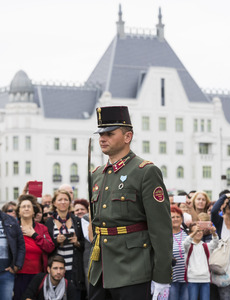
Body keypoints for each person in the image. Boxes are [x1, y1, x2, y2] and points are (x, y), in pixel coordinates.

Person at [89, 106, 172, 300]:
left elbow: (160, 229)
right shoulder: (97, 175)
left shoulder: (145, 172)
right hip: (100, 270)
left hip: (132, 269)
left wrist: (161, 276)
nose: (102, 138)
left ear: (128, 137)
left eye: (110, 134)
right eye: (101, 134)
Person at [13, 194, 55, 300]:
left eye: (29, 207)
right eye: (23, 206)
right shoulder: (13, 228)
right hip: (18, 275)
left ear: (33, 212)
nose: (26, 209)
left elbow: (50, 247)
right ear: (18, 212)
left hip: (38, 275)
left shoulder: (42, 228)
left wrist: (34, 235)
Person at [45, 190, 85, 298]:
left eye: (66, 199)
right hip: (56, 269)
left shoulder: (77, 221)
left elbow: (84, 245)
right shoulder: (49, 222)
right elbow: (46, 246)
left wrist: (76, 242)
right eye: (60, 199)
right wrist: (57, 241)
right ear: (54, 203)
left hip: (74, 268)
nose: (63, 202)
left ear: (70, 202)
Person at [183, 222, 219, 300]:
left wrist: (214, 233)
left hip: (205, 279)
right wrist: (194, 233)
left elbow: (215, 243)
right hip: (192, 279)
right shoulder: (188, 246)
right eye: (196, 231)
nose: (198, 233)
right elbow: (185, 243)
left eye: (200, 231)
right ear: (190, 233)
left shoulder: (206, 246)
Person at [169, 205, 188, 300]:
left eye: (178, 217)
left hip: (187, 278)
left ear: (182, 219)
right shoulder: (165, 235)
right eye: (172, 217)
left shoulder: (188, 233)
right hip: (172, 278)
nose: (175, 219)